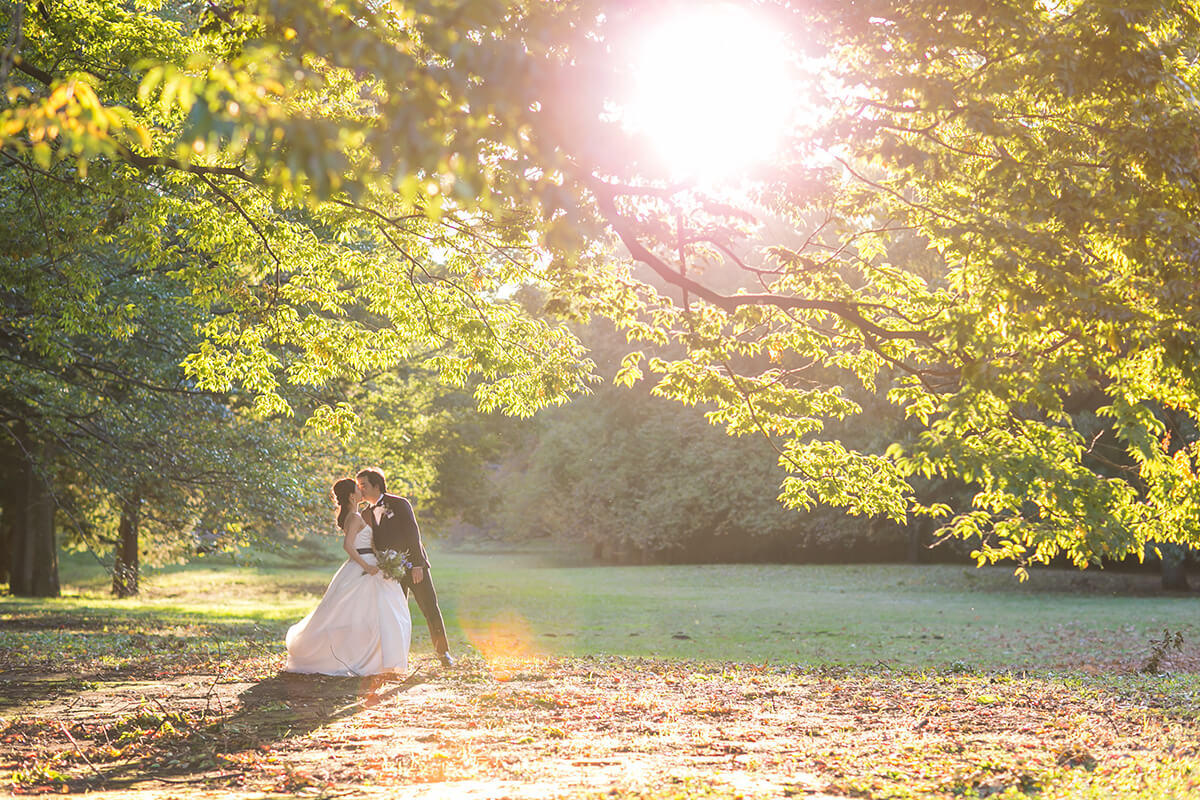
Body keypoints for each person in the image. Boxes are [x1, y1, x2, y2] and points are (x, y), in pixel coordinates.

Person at [285, 478, 411, 676]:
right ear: (352, 496)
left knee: (384, 613)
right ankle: (372, 660)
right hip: (363, 567)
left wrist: (382, 559)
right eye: (357, 489)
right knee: (378, 612)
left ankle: (382, 660)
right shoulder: (354, 517)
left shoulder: (357, 515)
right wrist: (367, 567)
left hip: (371, 563)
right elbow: (348, 546)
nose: (361, 491)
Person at [356, 467, 454, 667]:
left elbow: (412, 533)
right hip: (389, 571)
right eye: (359, 486)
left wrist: (417, 564)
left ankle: (443, 654)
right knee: (393, 614)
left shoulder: (400, 503)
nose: (361, 490)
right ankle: (397, 657)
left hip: (413, 566)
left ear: (376, 485)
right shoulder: (365, 514)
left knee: (429, 608)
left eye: (363, 485)